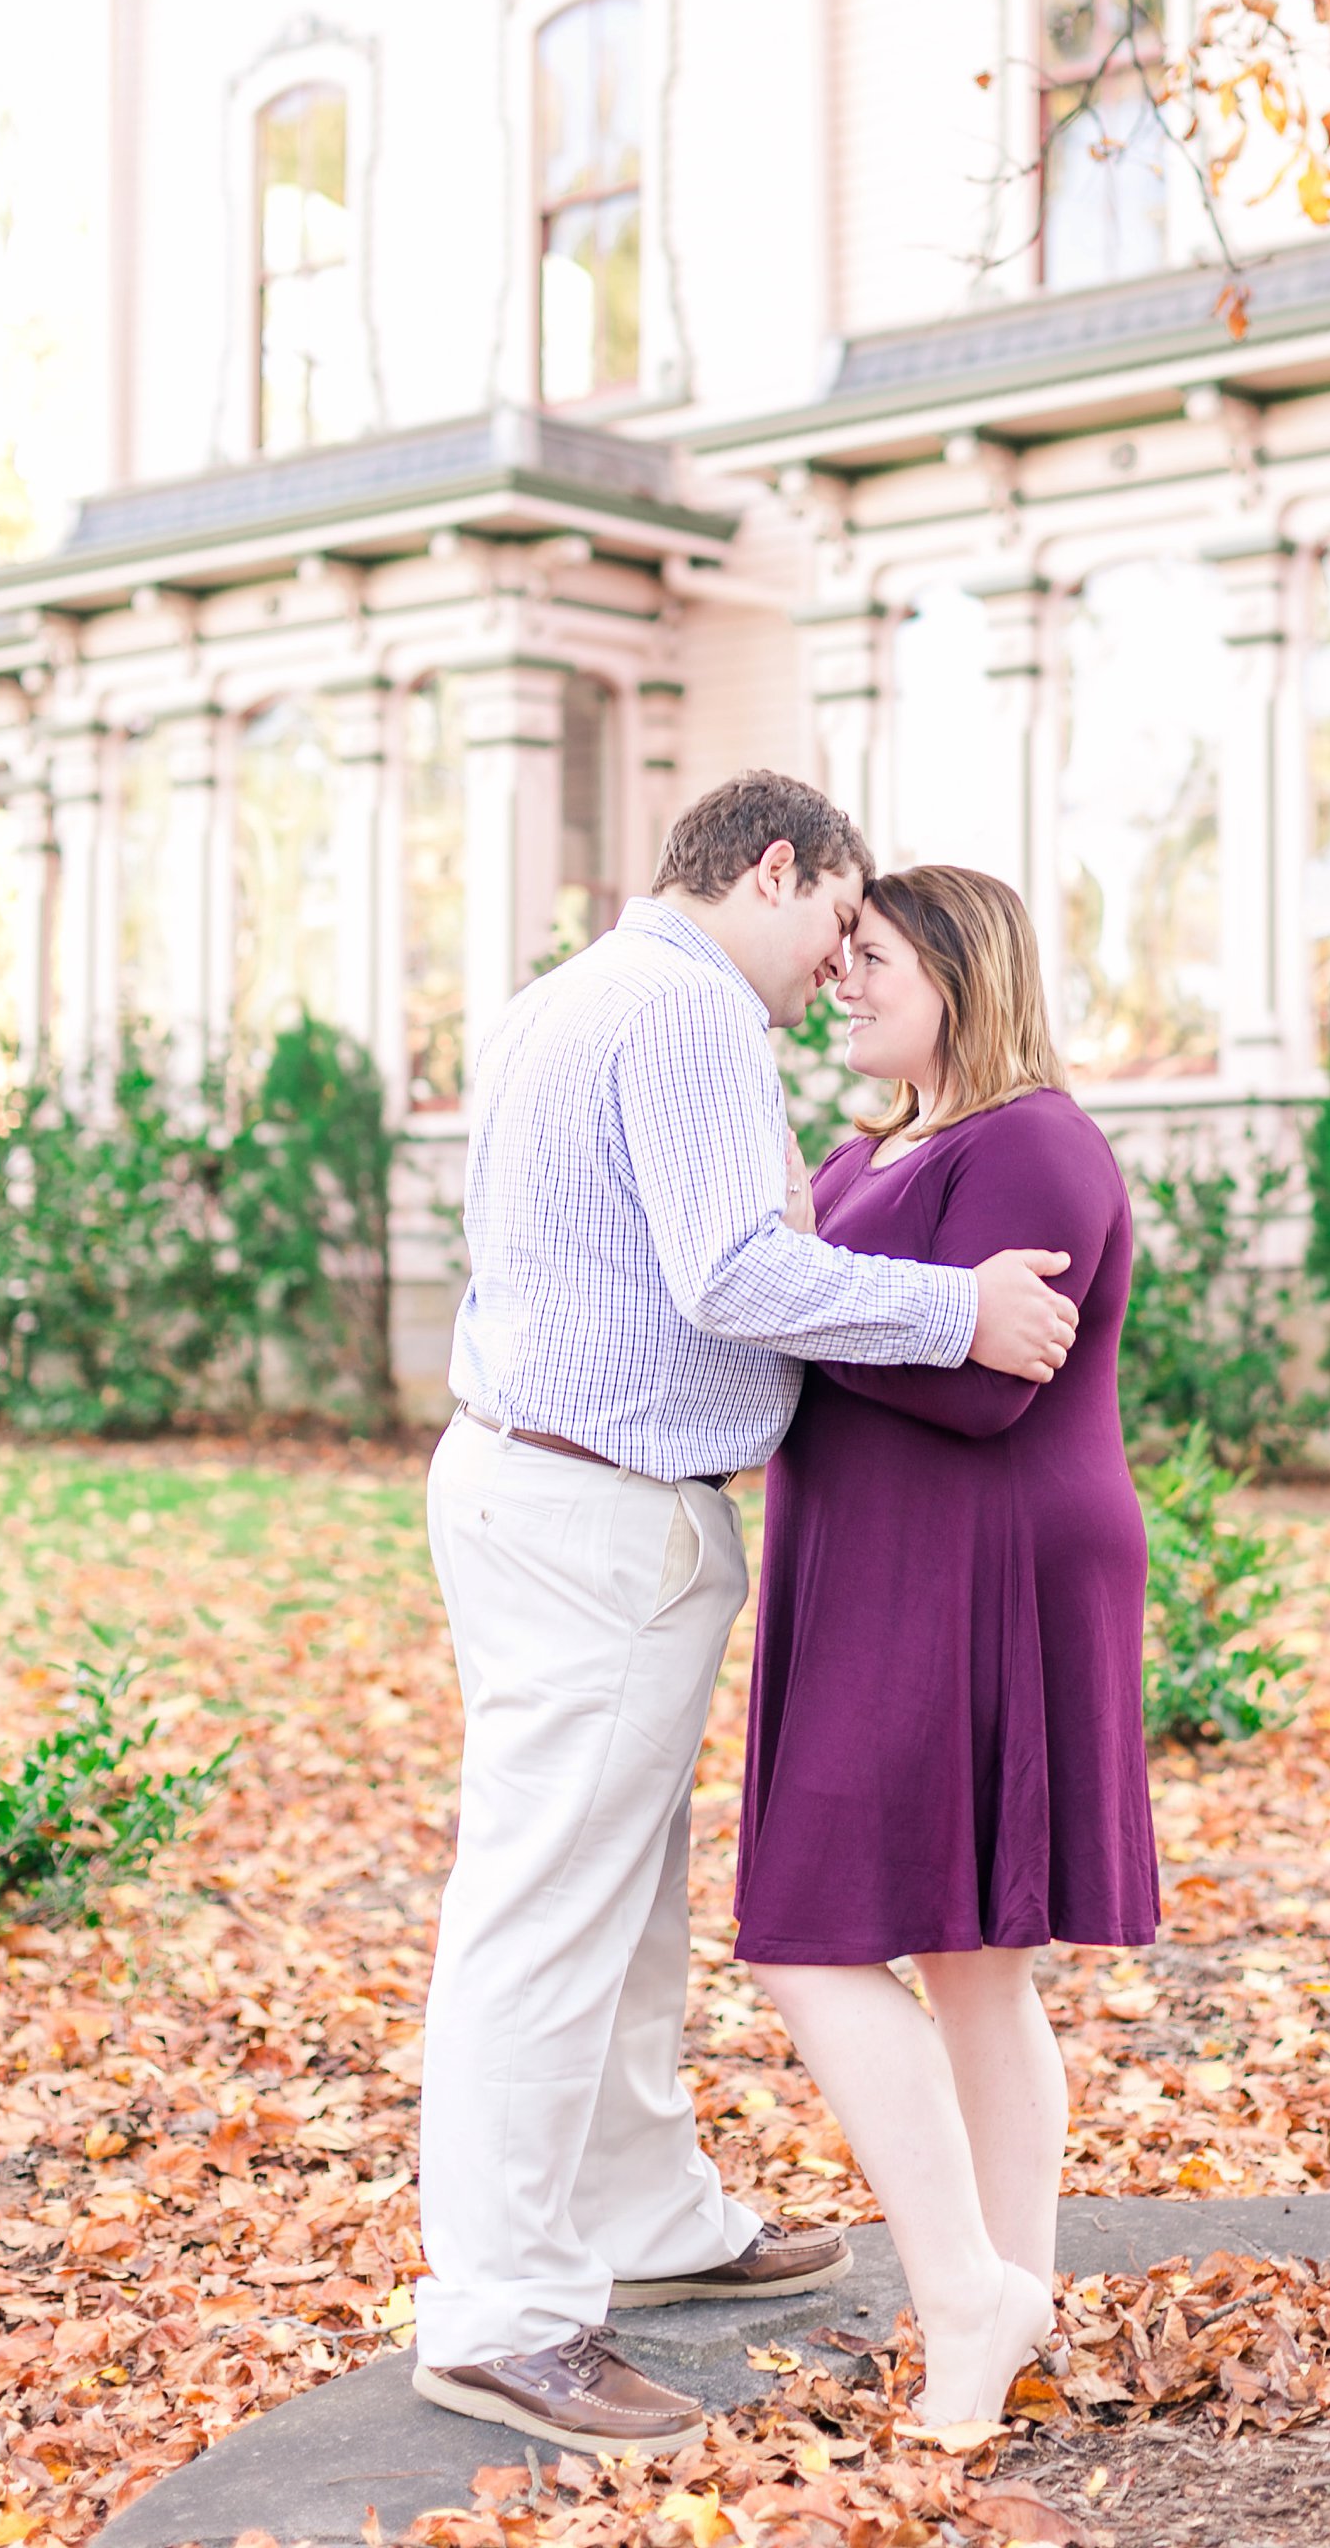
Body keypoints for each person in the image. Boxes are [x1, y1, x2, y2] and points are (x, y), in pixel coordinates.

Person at [412, 775, 1083, 2457]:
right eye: (837, 925)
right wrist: (958, 1308)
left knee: (616, 1892)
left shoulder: (563, 997)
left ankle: (652, 2219)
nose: (833, 972)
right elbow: (730, 1273)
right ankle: (502, 2318)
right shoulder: (693, 1010)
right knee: (548, 1910)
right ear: (774, 871)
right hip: (597, 1508)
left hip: (523, 1478)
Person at [734, 865, 1159, 2430]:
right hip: (872, 1556)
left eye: (878, 958)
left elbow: (993, 1383)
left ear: (965, 976)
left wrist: (807, 1300)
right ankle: (1006, 2306)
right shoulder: (863, 1153)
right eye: (840, 956)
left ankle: (970, 2290)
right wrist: (857, 1294)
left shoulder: (1035, 1140)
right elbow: (880, 1331)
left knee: (811, 1934)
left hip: (989, 1564)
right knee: (970, 1965)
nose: (844, 981)